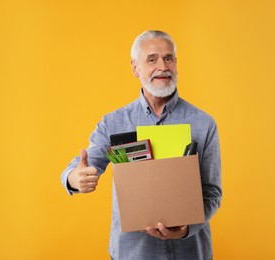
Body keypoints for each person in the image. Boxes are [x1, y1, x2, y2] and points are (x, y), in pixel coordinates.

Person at [61, 30, 222, 260]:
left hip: (190, 252)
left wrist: (187, 229)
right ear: (135, 68)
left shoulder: (204, 123)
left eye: (168, 58)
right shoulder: (112, 123)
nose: (162, 66)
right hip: (133, 254)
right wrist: (73, 178)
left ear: (176, 64)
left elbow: (212, 192)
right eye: (152, 59)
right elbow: (82, 165)